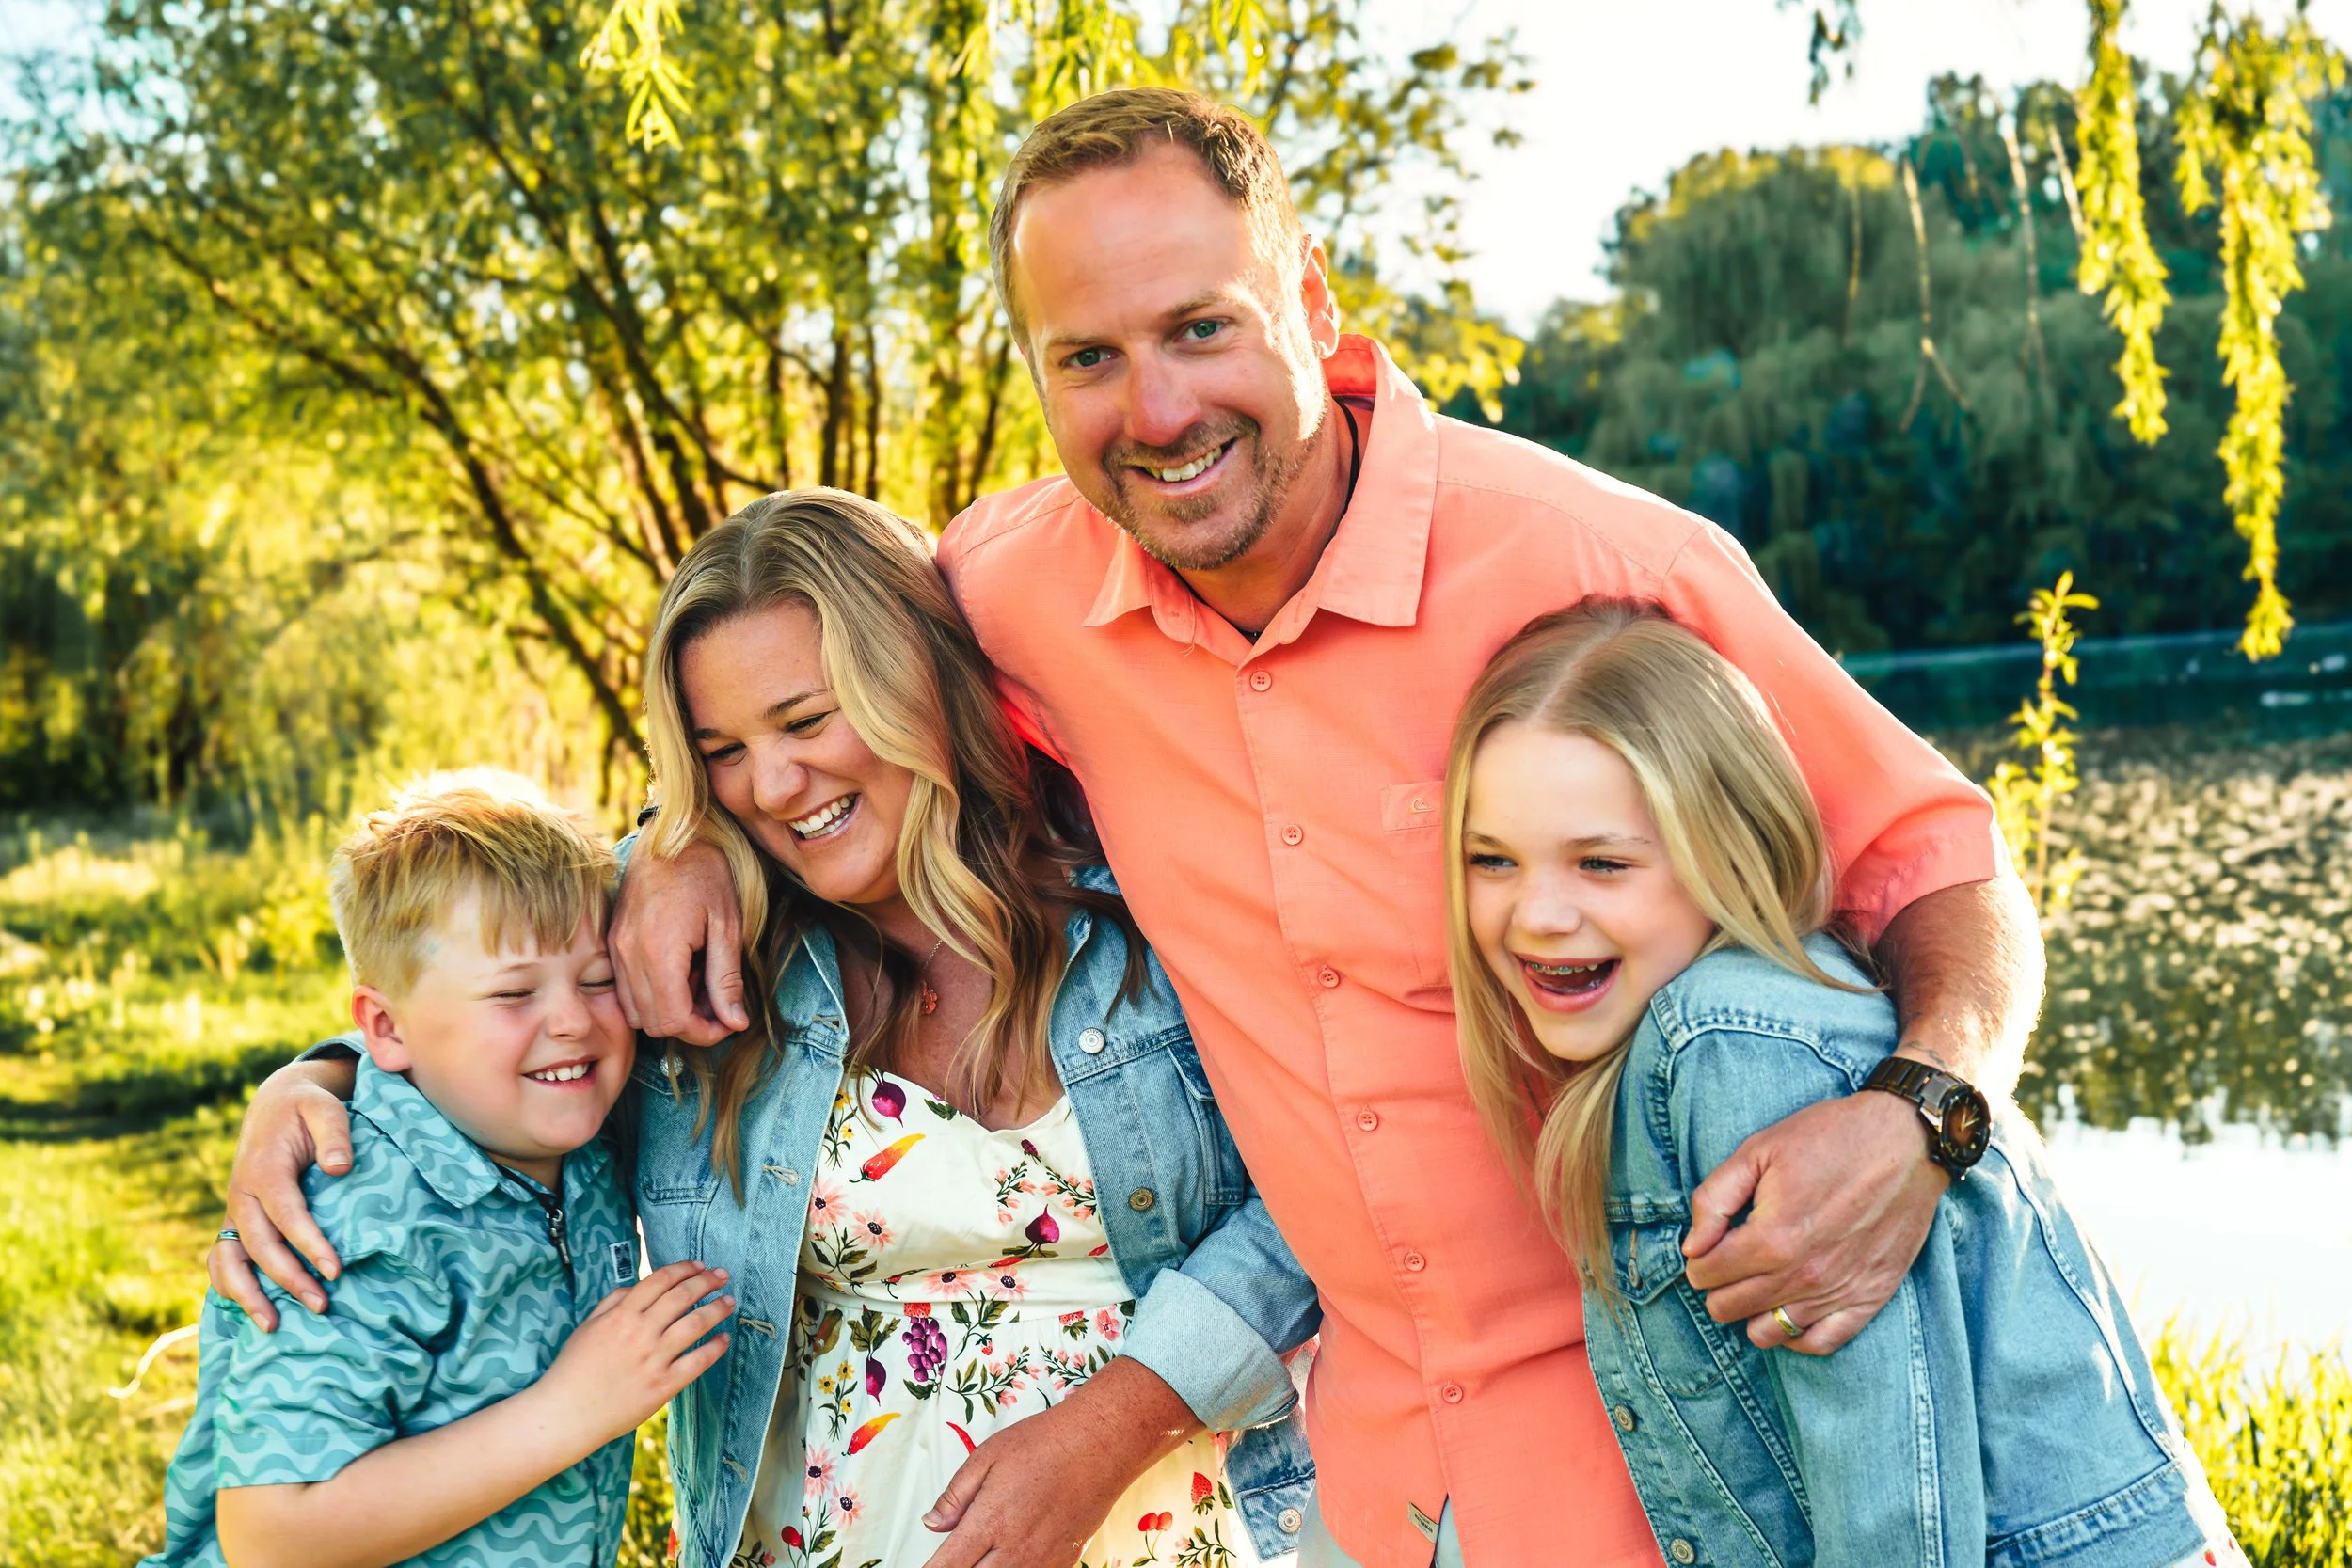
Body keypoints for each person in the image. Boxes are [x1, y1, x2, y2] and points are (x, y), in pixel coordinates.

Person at [226, 87, 2044, 1567]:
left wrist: (1926, 1111)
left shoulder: (1606, 567)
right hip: (1361, 1467)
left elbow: (1933, 859)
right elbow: (811, 690)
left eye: (1199, 328)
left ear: (1313, 304)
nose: (1155, 410)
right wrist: (377, 1048)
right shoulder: (1016, 587)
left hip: (1668, 1418)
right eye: (1085, 357)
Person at [213, 493, 1320, 1568]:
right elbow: (476, 1027)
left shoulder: (1150, 892)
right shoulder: (692, 952)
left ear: (922, 679)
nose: (774, 786)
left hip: (1173, 1522)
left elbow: (1332, 1184)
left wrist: (1112, 1427)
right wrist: (318, 1081)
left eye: (803, 719)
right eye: (722, 750)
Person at [1444, 600, 2242, 1568]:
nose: (1537, 912)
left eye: (1600, 862)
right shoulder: (1694, 1036)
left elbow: (1895, 1517)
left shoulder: (1736, 1045)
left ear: (1723, 851)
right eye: (1491, 858)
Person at [145, 771, 736, 1568]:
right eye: (513, 992)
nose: (574, 1020)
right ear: (386, 1027)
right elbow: (272, 1533)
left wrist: (306, 1074)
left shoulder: (577, 1137)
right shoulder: (361, 1215)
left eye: (599, 979)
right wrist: (569, 1410)